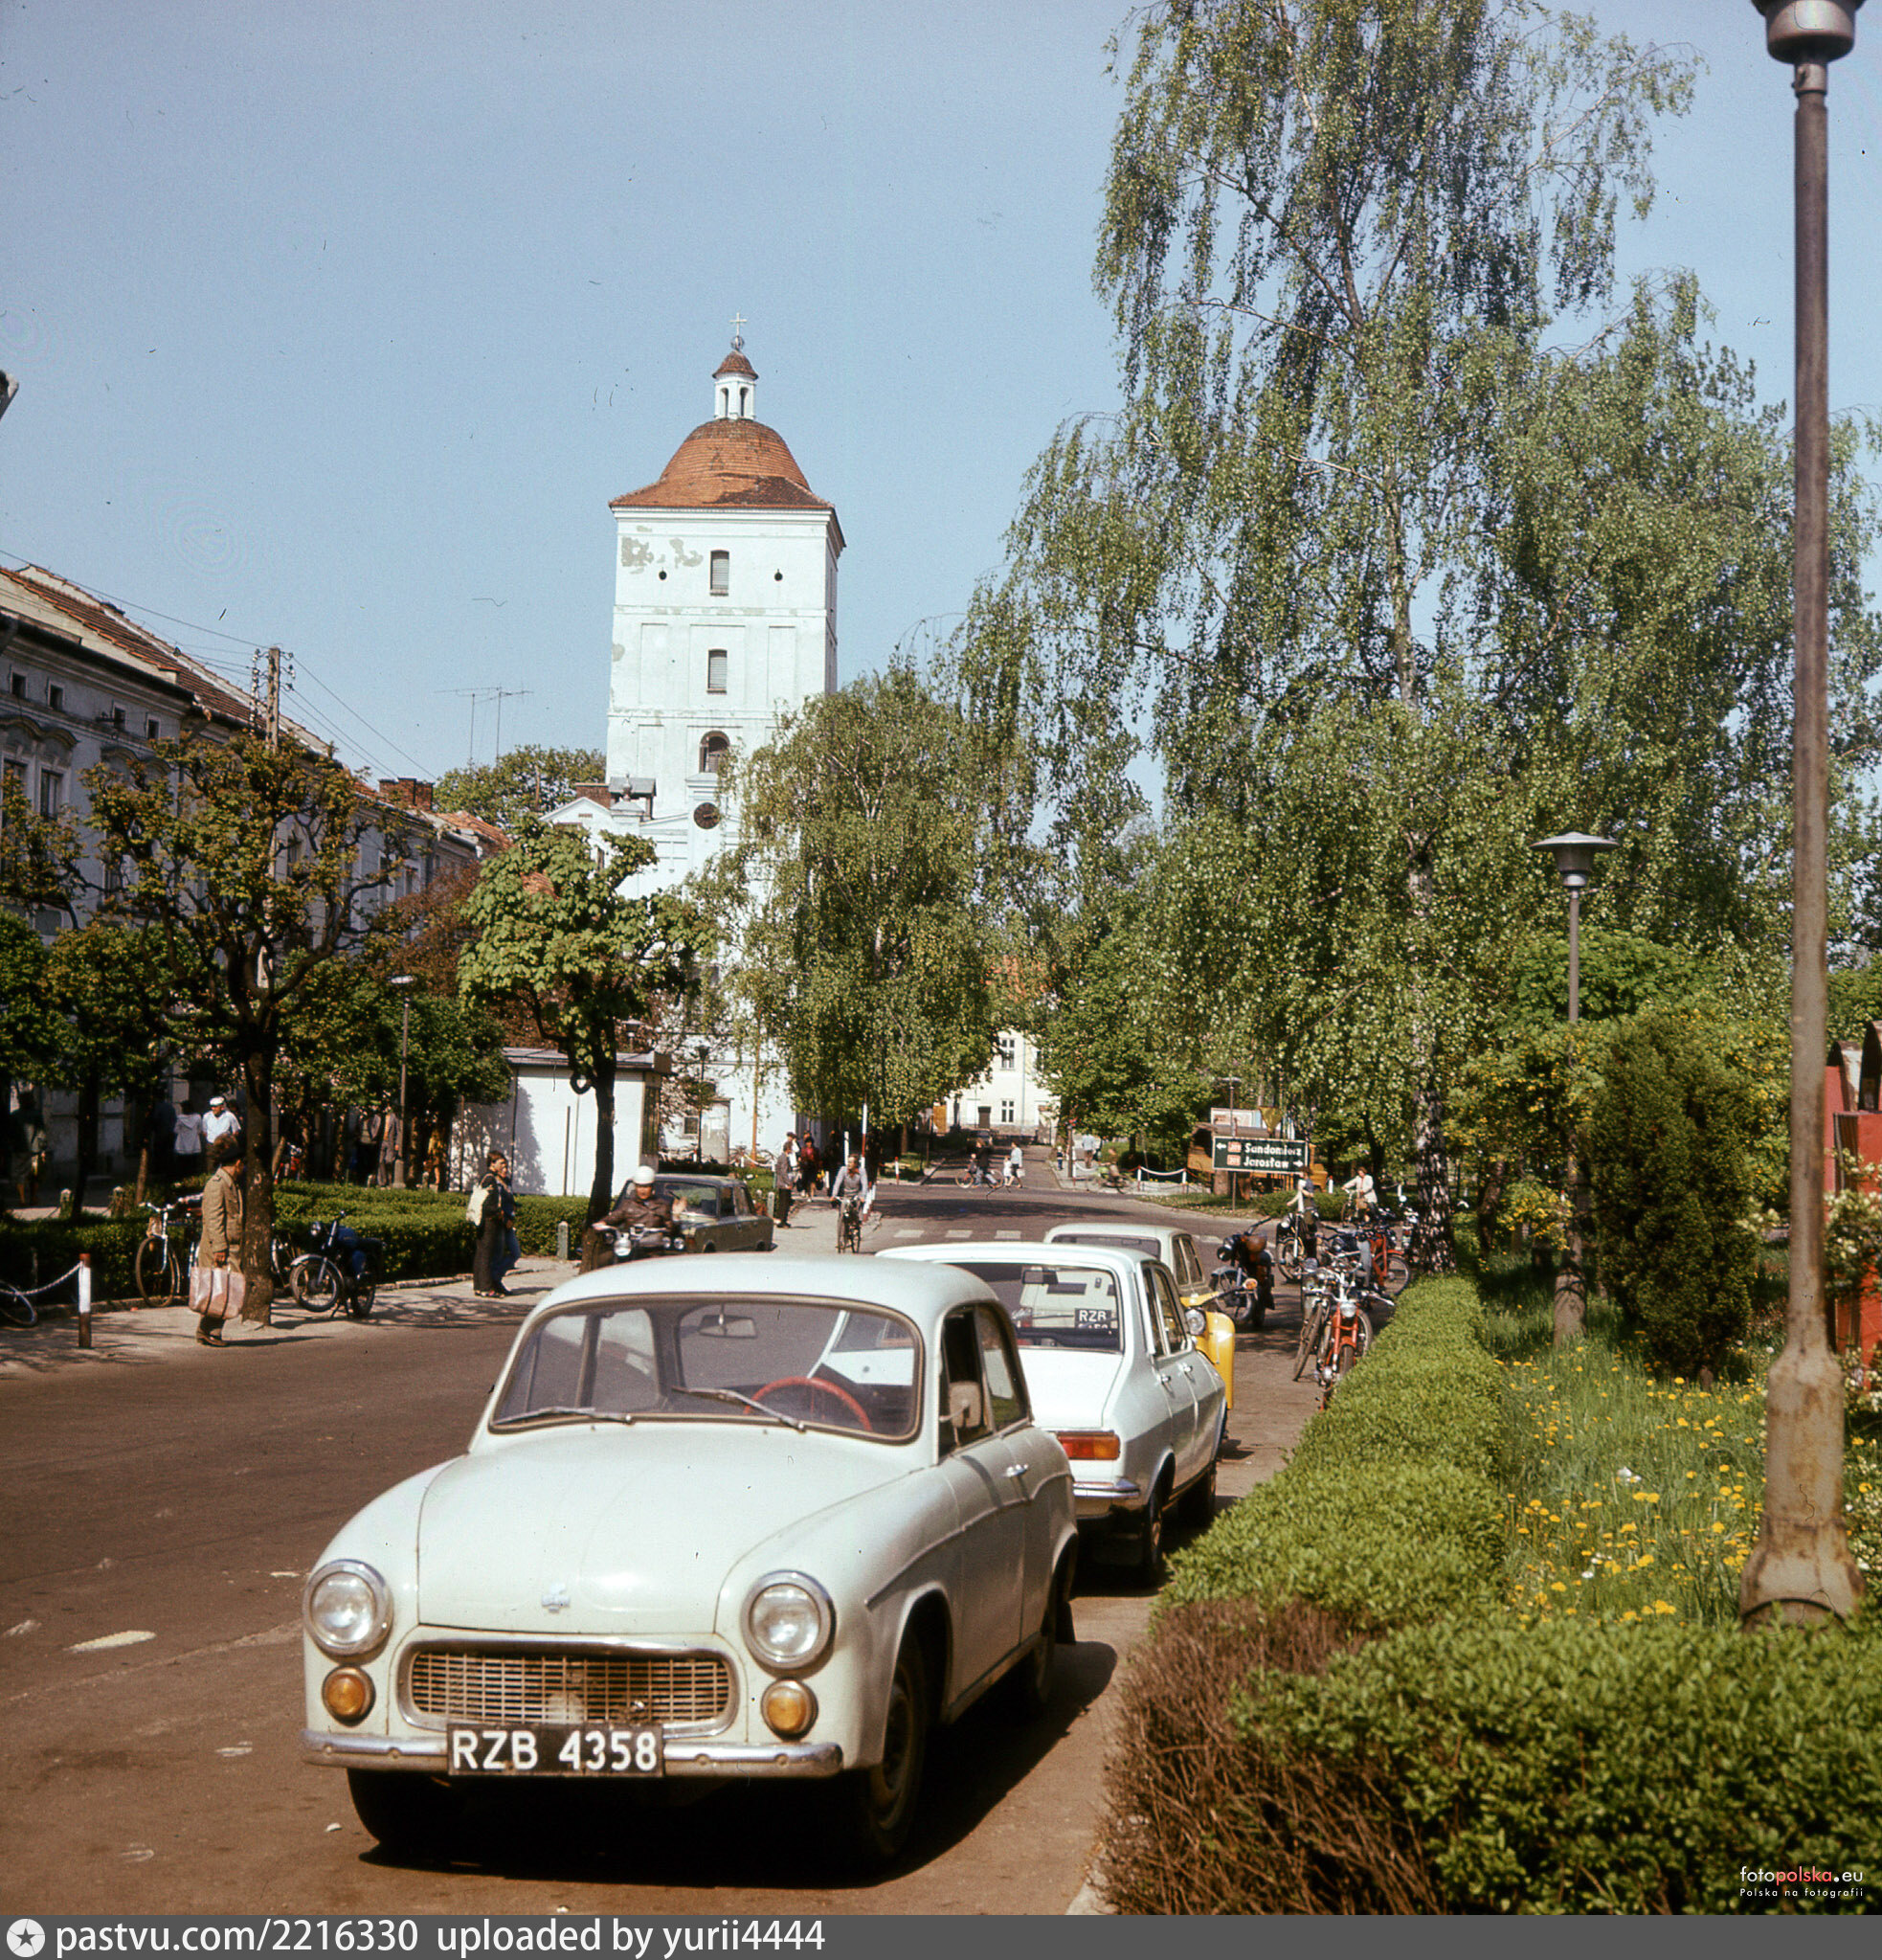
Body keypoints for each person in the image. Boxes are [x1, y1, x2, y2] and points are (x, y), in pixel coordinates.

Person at [196, 1140, 243, 1346]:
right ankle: (208, 1331)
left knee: (225, 1290)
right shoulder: (217, 1184)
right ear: (238, 1163)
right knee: (220, 1291)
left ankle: (209, 1331)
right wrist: (219, 1248)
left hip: (230, 1246)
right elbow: (214, 1218)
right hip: (220, 1248)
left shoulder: (231, 1184)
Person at [471, 1151, 518, 1296]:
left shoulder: (488, 1177)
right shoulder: (490, 1179)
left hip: (487, 1220)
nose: (504, 1165)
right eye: (501, 1163)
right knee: (486, 1255)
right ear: (492, 1163)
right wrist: (500, 1214)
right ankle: (486, 1288)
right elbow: (489, 1204)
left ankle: (479, 1287)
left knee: (482, 1254)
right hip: (489, 1221)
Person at [604, 1163, 675, 1252]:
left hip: (653, 1248)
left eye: (646, 1187)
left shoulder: (662, 1206)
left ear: (652, 1187)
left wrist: (665, 1231)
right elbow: (615, 1216)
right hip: (630, 1247)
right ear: (635, 1187)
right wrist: (603, 1222)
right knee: (606, 1257)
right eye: (639, 1186)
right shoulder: (628, 1205)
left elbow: (671, 1229)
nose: (642, 1190)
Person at [11, 1093, 48, 1206]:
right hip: (34, 1149)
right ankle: (33, 1198)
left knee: (20, 1175)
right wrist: (43, 1149)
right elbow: (41, 1133)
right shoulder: (37, 1114)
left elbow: (10, 1133)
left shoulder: (15, 1115)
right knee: (35, 1175)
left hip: (19, 1149)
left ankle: (22, 1199)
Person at [203, 1093, 241, 1157]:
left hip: (225, 1146)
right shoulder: (206, 1116)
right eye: (212, 1106)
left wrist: (228, 1142)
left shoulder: (230, 1116)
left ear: (222, 1107)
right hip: (211, 1145)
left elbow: (236, 1131)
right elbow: (204, 1132)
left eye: (215, 1106)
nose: (213, 1108)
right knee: (211, 1161)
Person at [773, 1136, 796, 1228]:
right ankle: (782, 1221)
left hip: (781, 1183)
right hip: (783, 1184)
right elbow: (783, 1172)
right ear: (788, 1148)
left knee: (785, 1202)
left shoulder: (782, 1157)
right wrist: (788, 1182)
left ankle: (783, 1220)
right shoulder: (784, 1158)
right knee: (784, 1203)